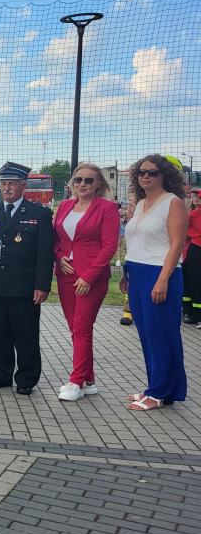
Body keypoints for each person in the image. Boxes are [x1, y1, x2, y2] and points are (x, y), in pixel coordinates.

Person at [0, 162, 54, 395]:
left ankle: (26, 379)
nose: (7, 188)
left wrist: (42, 285)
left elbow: (45, 254)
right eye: (3, 183)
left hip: (24, 286)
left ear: (23, 185)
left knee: (25, 334)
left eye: (12, 183)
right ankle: (0, 375)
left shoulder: (39, 214)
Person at [119, 154, 188, 411]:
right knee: (147, 335)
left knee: (162, 335)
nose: (146, 176)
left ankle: (160, 392)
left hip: (161, 274)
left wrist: (162, 281)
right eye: (142, 172)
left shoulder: (174, 203)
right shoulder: (139, 205)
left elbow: (176, 245)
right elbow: (135, 242)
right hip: (137, 273)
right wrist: (126, 273)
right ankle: (156, 386)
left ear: (164, 176)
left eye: (153, 172)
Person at [51, 163, 120, 401]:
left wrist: (89, 276)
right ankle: (89, 381)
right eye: (78, 179)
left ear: (98, 184)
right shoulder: (65, 206)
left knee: (81, 327)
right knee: (76, 329)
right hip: (65, 275)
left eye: (88, 180)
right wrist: (59, 258)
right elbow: (56, 239)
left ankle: (76, 381)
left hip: (91, 277)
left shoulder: (107, 208)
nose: (82, 184)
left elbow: (109, 246)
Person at [184, 190, 201, 327]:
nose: (196, 198)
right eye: (195, 196)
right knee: (190, 281)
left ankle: (194, 314)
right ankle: (190, 312)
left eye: (199, 197)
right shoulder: (191, 213)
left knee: (193, 281)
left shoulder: (192, 214)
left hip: (194, 249)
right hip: (189, 251)